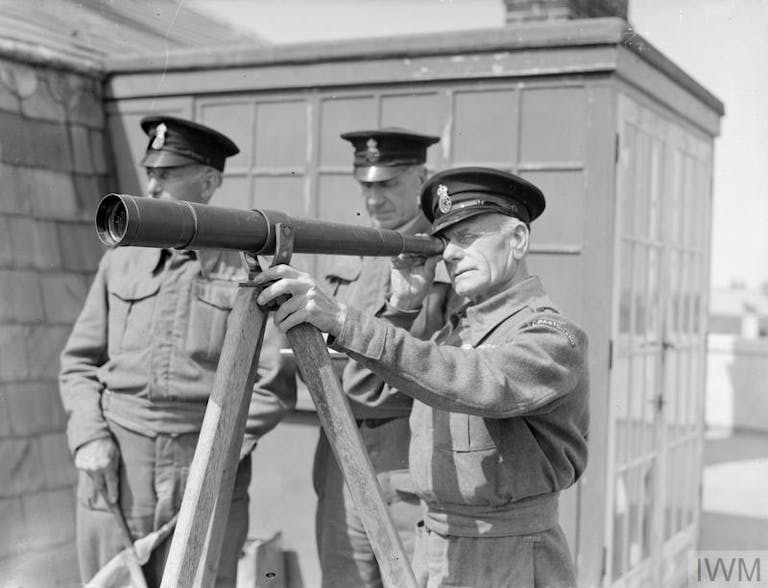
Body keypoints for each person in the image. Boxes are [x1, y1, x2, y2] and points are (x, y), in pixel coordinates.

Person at [255, 166, 590, 587]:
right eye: (447, 241)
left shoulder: (551, 336)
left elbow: (481, 382)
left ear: (518, 240)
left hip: (510, 556)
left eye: (468, 238)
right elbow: (364, 391)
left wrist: (343, 320)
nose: (450, 254)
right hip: (437, 548)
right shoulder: (457, 331)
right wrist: (402, 306)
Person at [59, 115, 296, 587]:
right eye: (151, 172)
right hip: (116, 466)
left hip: (205, 465)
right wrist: (89, 439)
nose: (151, 185)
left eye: (166, 174)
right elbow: (79, 362)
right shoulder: (120, 258)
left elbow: (273, 382)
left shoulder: (248, 269)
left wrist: (216, 454)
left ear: (208, 182)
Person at [311, 128, 456, 588]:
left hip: (410, 459)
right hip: (341, 453)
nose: (374, 199)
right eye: (366, 186)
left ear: (421, 179)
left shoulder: (446, 257)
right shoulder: (349, 247)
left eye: (388, 184)